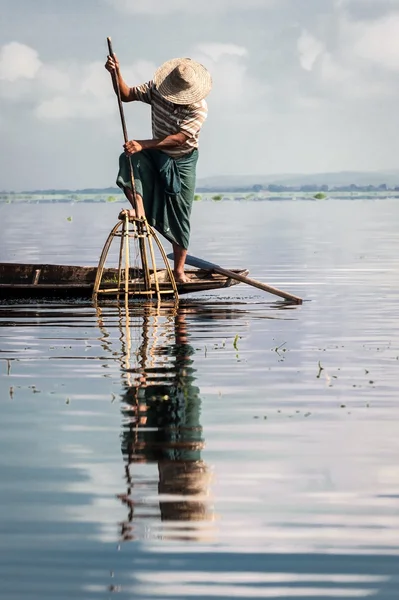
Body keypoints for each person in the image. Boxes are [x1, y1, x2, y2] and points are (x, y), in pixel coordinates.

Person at [105, 53, 212, 283]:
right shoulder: (157, 88)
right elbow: (126, 95)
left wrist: (143, 144)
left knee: (181, 214)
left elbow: (179, 139)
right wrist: (116, 73)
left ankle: (179, 271)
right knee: (129, 159)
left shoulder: (198, 108)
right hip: (157, 153)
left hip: (183, 159)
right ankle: (140, 210)